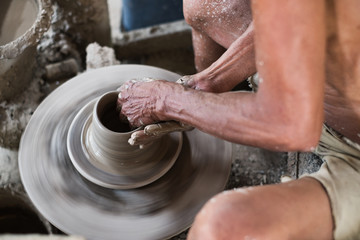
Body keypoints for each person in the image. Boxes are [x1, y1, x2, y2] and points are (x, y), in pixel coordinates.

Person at [117, 0, 360, 239]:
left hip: (348, 156)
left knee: (220, 228)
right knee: (204, 5)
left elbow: (290, 125)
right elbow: (293, 17)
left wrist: (167, 101)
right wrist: (207, 83)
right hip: (325, 102)